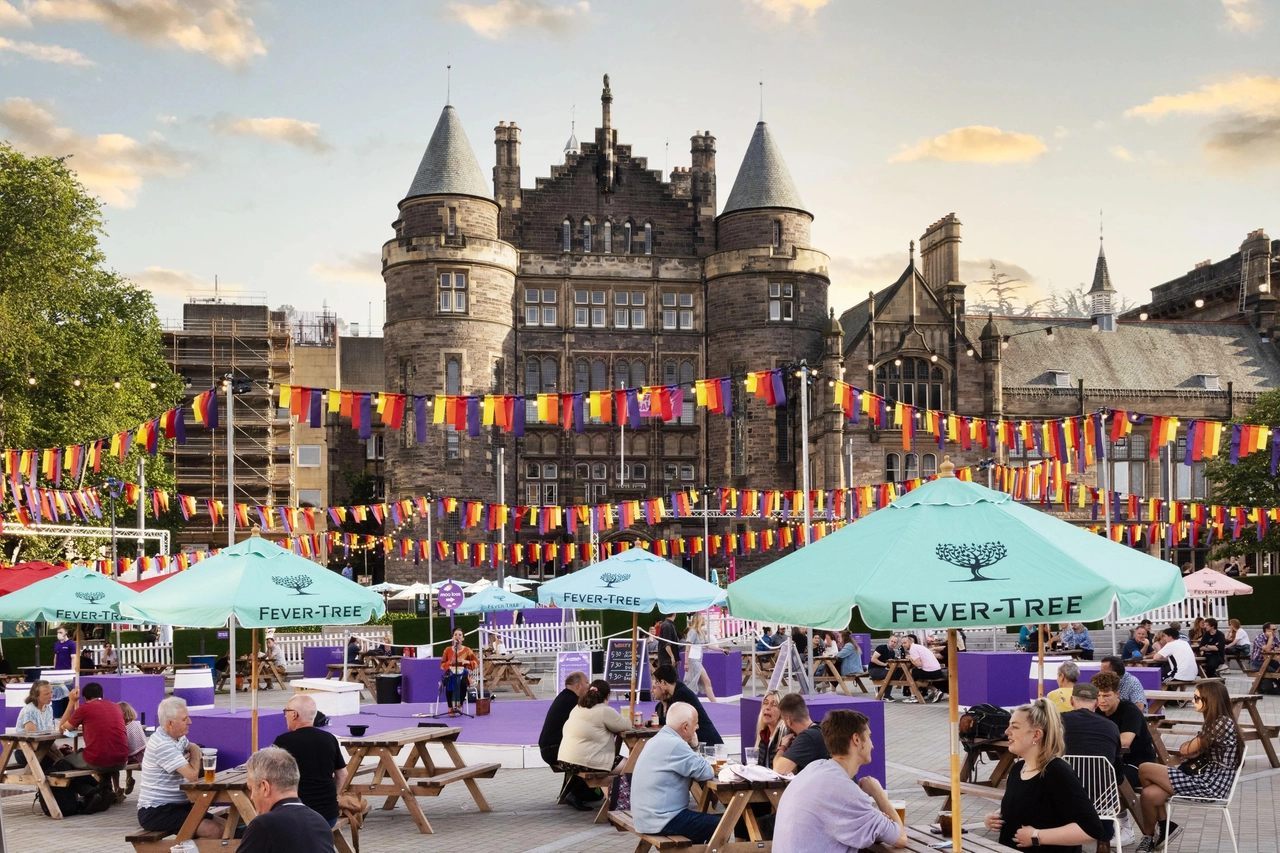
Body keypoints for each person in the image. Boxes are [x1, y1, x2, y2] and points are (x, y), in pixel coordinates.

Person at [982, 699, 1108, 852]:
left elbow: (1091, 829)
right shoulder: (1018, 769)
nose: (1007, 731)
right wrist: (995, 817)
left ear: (1036, 735)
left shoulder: (1057, 772)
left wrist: (1037, 836)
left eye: (1014, 727)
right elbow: (1033, 807)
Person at [773, 709, 906, 851]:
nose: (872, 745)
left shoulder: (813, 768)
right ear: (856, 739)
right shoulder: (845, 791)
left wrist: (875, 824)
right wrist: (878, 793)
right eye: (869, 737)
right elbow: (900, 839)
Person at [1135, 681, 1241, 853]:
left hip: (1210, 785)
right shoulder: (1217, 723)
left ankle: (1164, 824)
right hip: (1203, 779)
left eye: (1197, 697)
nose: (1193, 701)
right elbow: (1191, 749)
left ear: (1210, 700)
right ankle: (1150, 836)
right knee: (1148, 794)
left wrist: (1193, 749)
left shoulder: (1221, 723)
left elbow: (1185, 749)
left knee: (1145, 768)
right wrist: (1195, 749)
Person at [137, 697, 225, 839]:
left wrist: (192, 757)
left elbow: (193, 765)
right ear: (170, 723)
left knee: (226, 827)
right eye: (185, 719)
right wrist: (195, 749)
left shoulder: (178, 738)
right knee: (213, 830)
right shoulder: (162, 744)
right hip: (157, 811)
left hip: (179, 806)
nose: (189, 722)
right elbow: (192, 775)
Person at [630, 702, 718, 843]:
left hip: (646, 817)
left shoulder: (658, 739)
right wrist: (695, 746)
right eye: (695, 723)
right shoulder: (675, 744)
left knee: (705, 823)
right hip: (662, 820)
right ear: (685, 727)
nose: (698, 727)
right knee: (723, 824)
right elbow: (706, 772)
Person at [238, 747, 336, 853]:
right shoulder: (320, 822)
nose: (252, 797)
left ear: (265, 787)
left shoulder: (264, 825)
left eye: (251, 789)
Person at [274, 695, 347, 827]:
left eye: (286, 712)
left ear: (294, 714)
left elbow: (270, 776)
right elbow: (342, 774)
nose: (285, 715)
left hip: (297, 815)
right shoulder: (329, 738)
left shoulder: (283, 742)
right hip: (328, 815)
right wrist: (332, 797)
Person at [538, 671, 596, 810]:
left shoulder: (564, 697)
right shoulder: (573, 702)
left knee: (580, 753)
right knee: (589, 758)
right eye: (587, 682)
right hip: (553, 749)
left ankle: (568, 793)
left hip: (548, 748)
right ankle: (574, 794)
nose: (589, 686)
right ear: (578, 685)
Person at [1092, 671, 1157, 789]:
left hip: (1136, 763)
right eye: (1098, 695)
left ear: (1117, 693)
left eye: (1106, 696)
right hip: (1109, 762)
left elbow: (1125, 742)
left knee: (1106, 785)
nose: (1101, 700)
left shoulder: (1130, 711)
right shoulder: (1096, 710)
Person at [557, 680, 630, 774]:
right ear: (607, 696)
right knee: (631, 766)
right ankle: (618, 789)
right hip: (585, 762)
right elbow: (626, 726)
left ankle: (608, 788)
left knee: (611, 770)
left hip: (565, 759)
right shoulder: (604, 710)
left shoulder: (577, 708)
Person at [61, 681, 129, 777]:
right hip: (122, 759)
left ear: (85, 698)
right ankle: (106, 788)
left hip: (98, 760)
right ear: (102, 695)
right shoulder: (116, 707)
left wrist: (71, 702)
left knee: (64, 761)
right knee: (97, 753)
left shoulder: (85, 708)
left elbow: (63, 729)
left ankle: (87, 790)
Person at [1060, 683, 1122, 786]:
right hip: (1103, 796)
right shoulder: (1111, 727)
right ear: (1097, 703)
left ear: (1071, 701)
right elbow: (1118, 776)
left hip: (1063, 793)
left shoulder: (1057, 722)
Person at [652, 665, 723, 745]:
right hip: (700, 735)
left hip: (705, 737)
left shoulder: (681, 694)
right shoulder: (678, 691)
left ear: (663, 682)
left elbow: (675, 722)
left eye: (658, 682)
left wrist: (657, 721)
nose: (658, 686)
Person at [773, 692, 830, 775]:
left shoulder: (807, 737)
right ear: (806, 711)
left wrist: (783, 747)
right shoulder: (822, 729)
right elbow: (793, 771)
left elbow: (779, 769)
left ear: (788, 720)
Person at [440, 628, 478, 716]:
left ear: (463, 638)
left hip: (463, 675)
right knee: (449, 682)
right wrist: (450, 662)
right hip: (450, 674)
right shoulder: (447, 650)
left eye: (460, 635)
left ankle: (459, 705)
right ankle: (450, 707)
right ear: (452, 638)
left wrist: (467, 662)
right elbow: (442, 665)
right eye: (455, 635)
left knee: (463, 683)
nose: (457, 636)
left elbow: (476, 663)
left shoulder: (468, 650)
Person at [682, 612, 717, 703]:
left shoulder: (700, 632)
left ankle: (684, 700)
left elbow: (708, 645)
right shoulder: (692, 632)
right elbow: (687, 647)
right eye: (703, 619)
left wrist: (721, 649)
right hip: (693, 661)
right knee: (706, 681)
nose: (704, 620)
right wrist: (686, 662)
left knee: (696, 682)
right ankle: (715, 703)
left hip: (698, 660)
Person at [900, 634, 945, 703]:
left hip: (931, 672)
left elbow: (919, 665)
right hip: (937, 671)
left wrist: (911, 659)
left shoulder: (913, 649)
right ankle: (935, 691)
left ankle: (913, 696)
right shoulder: (918, 647)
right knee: (915, 676)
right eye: (902, 643)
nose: (903, 645)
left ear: (910, 642)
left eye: (905, 643)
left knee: (910, 672)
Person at [754, 689, 784, 768]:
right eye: (765, 703)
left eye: (774, 705)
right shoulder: (763, 735)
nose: (767, 707)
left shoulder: (785, 735)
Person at [869, 635, 901, 700]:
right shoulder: (881, 648)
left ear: (897, 644)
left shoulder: (892, 652)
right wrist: (884, 665)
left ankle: (881, 690)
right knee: (891, 674)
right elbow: (873, 659)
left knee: (896, 673)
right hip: (873, 670)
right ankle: (886, 695)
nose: (893, 643)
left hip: (882, 669)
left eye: (895, 642)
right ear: (888, 641)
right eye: (892, 641)